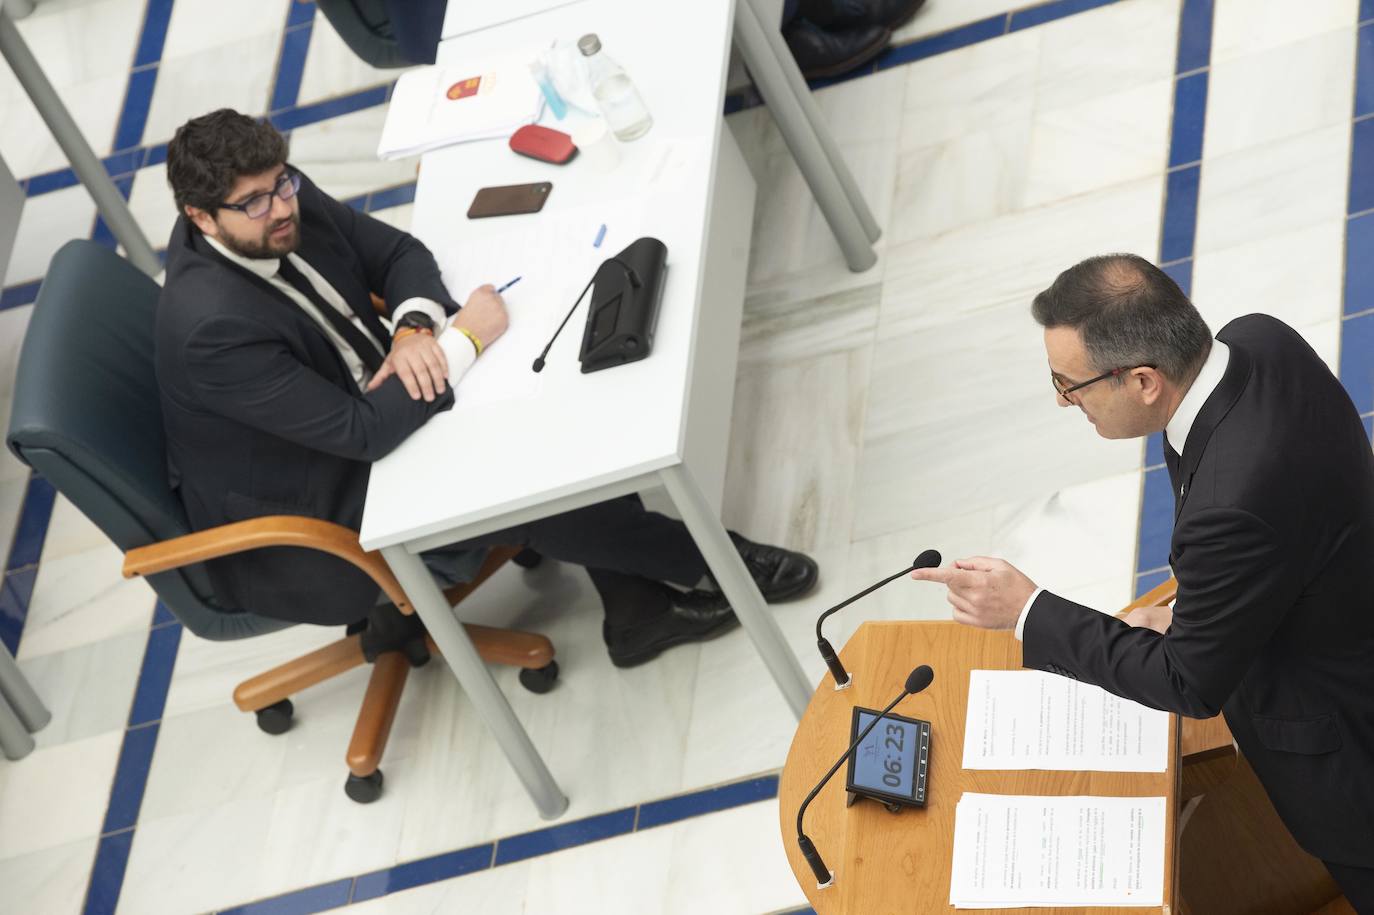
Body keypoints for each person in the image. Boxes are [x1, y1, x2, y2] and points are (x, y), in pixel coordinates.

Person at [155, 108, 818, 669]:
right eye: (256, 202)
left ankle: (636, 610)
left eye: (283, 184)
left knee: (536, 403)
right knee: (517, 486)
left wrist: (415, 330)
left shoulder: (274, 205)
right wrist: (464, 339)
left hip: (366, 407)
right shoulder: (212, 328)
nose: (280, 207)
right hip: (320, 509)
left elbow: (398, 254)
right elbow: (362, 431)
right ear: (201, 218)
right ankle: (721, 563)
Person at [909, 254, 1374, 906]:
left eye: (1070, 384)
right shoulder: (1260, 339)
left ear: (1144, 381)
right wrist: (1200, 610)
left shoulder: (1228, 504)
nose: (1062, 399)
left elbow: (1190, 681)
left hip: (1346, 741)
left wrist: (1027, 610)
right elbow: (1292, 524)